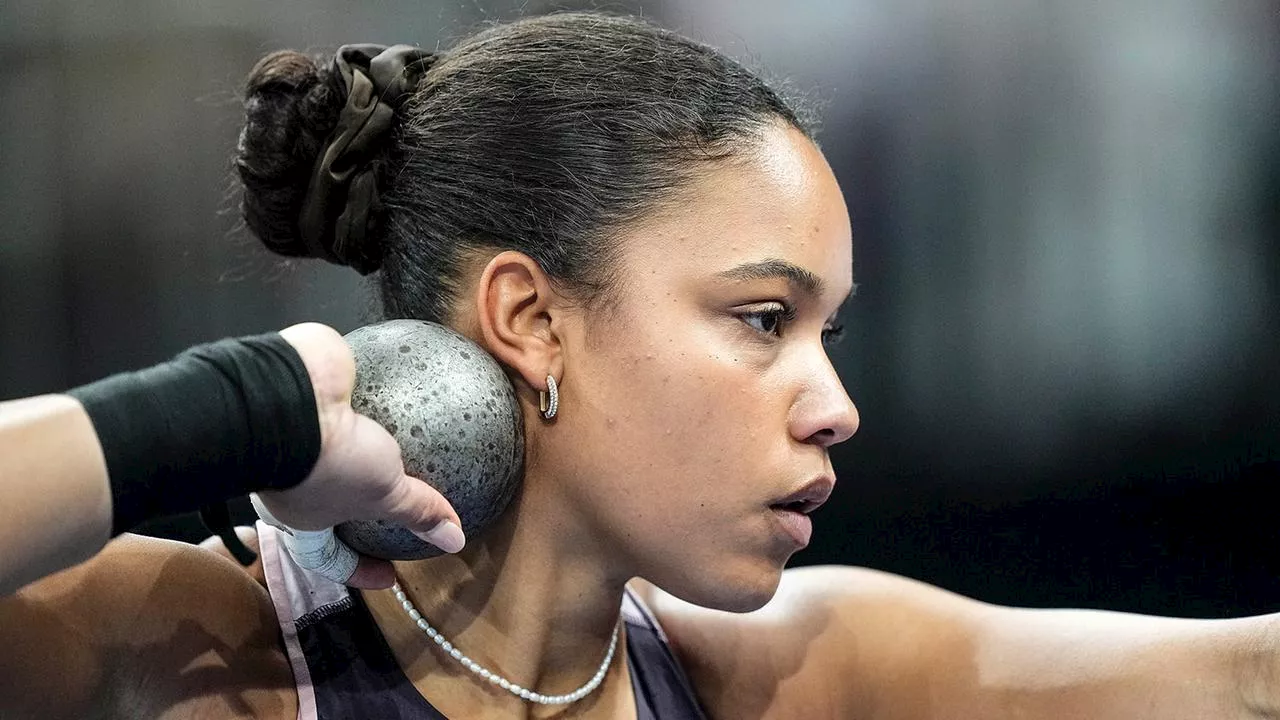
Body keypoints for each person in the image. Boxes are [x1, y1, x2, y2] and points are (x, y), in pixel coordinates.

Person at [1, 10, 1278, 720]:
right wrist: (242, 408)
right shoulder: (190, 650)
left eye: (826, 332)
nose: (834, 407)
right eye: (762, 319)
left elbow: (1244, 679)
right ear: (531, 319)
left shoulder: (790, 676)